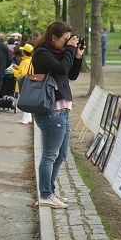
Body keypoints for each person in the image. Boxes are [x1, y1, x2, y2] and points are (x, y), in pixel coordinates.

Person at [32, 21, 84, 209]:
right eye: (65, 39)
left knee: (62, 153)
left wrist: (77, 56)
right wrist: (70, 51)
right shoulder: (42, 53)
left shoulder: (60, 53)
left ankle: (50, 191)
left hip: (62, 110)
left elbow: (71, 75)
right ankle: (45, 194)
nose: (68, 42)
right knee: (49, 154)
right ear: (54, 38)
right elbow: (61, 69)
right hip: (50, 111)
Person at [12, 44, 34, 125]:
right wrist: (18, 68)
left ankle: (26, 118)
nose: (21, 51)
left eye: (23, 50)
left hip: (23, 83)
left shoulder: (25, 61)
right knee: (26, 101)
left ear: (25, 52)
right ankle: (27, 118)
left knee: (24, 101)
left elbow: (22, 74)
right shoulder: (29, 60)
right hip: (27, 83)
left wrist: (13, 71)